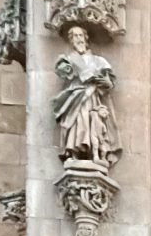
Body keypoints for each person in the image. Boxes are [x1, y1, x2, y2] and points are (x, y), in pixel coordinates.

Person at [52, 25, 122, 168]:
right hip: (76, 96)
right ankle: (73, 153)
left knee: (92, 123)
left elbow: (110, 82)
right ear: (71, 41)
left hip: (93, 97)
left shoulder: (98, 60)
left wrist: (107, 82)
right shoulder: (69, 59)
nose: (78, 40)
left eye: (80, 36)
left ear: (85, 38)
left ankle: (94, 154)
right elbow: (64, 72)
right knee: (77, 122)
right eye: (74, 37)